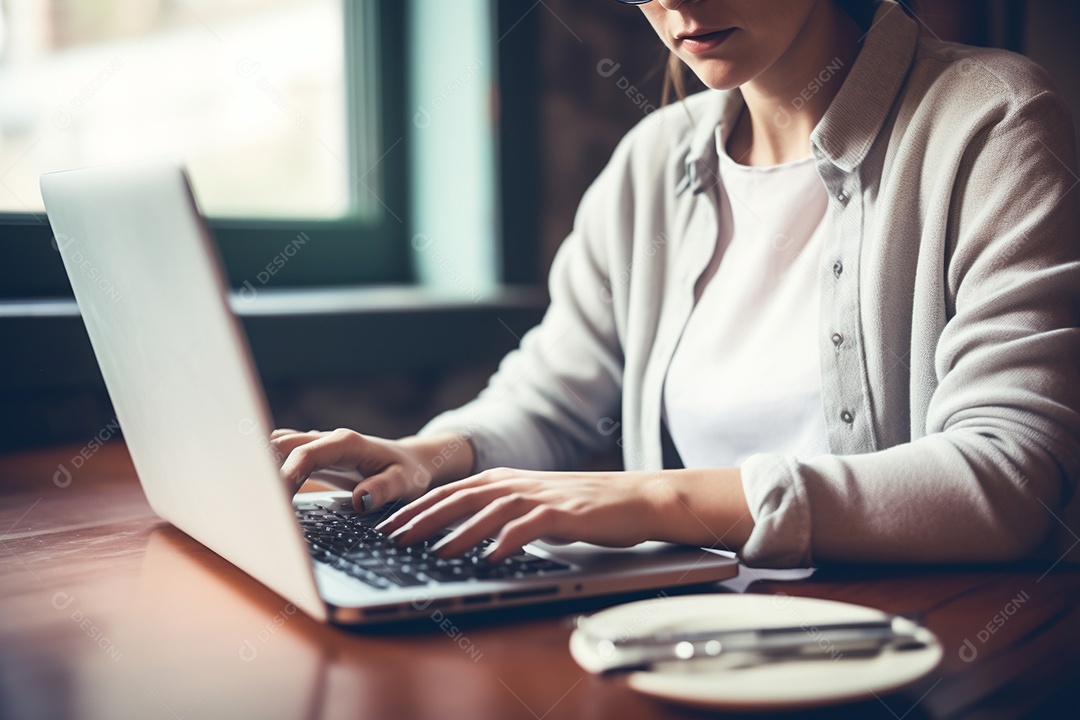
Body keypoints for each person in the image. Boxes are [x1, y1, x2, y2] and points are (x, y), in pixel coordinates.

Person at [272, 0, 1080, 568]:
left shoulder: (994, 123)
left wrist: (654, 500)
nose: (674, 1)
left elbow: (1011, 481)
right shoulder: (653, 163)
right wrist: (429, 455)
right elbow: (554, 398)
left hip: (907, 659)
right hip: (685, 643)